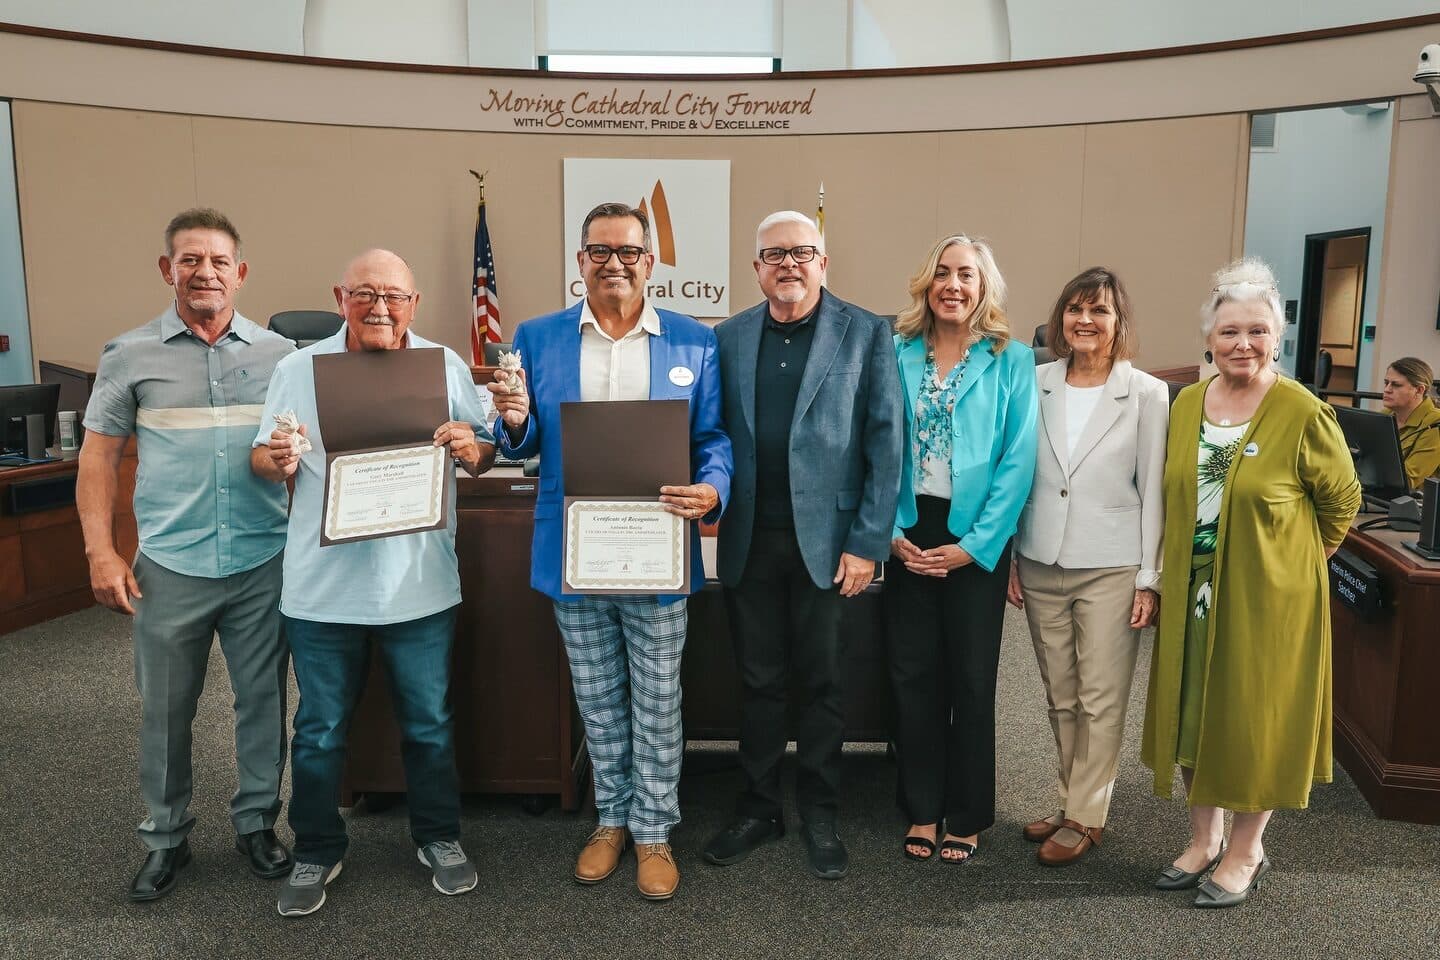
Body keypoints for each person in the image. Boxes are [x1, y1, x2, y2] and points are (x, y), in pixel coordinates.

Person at [488, 203, 732, 901]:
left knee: (657, 699)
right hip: (577, 552)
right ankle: (612, 821)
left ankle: (654, 829)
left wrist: (712, 489)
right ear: (581, 261)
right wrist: (511, 421)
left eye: (629, 251)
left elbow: (713, 438)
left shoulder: (692, 341)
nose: (614, 263)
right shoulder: (537, 338)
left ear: (650, 262)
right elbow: (522, 438)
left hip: (657, 547)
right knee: (598, 698)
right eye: (600, 251)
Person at [251, 249, 495, 917]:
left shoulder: (443, 365)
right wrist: (276, 458)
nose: (380, 307)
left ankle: (439, 837)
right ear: (340, 297)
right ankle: (317, 848)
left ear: (414, 303)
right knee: (322, 728)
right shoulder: (299, 369)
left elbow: (481, 447)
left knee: (429, 725)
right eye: (365, 294)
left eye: (394, 296)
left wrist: (472, 447)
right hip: (322, 589)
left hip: (418, 586)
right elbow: (263, 456)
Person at [76, 208, 295, 902]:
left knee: (263, 702)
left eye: (219, 260)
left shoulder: (280, 355)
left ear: (241, 272)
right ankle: (166, 838)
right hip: (170, 564)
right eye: (190, 260)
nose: (206, 272)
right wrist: (102, 553)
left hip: (264, 558)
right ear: (168, 270)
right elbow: (98, 457)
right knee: (166, 711)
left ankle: (257, 824)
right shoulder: (129, 353)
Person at [1140, 257, 1361, 907]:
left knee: (1252, 724)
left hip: (1269, 602)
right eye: (1230, 330)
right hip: (1193, 592)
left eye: (1258, 331)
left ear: (1278, 337)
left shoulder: (1301, 409)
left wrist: (1289, 566)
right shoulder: (1186, 405)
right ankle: (1202, 839)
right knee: (1191, 716)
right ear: (1208, 337)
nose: (1243, 344)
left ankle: (1246, 849)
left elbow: (1341, 502)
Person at [702, 211, 902, 881]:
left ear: (824, 262)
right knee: (757, 682)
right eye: (774, 254)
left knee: (821, 684)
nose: (789, 264)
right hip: (750, 541)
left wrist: (868, 542)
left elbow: (885, 442)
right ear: (756, 267)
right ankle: (759, 808)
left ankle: (820, 811)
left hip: (831, 546)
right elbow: (713, 434)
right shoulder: (726, 338)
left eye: (802, 253)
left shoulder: (867, 332)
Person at [1006, 267, 1167, 866]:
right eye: (1074, 309)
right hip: (1041, 556)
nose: (1084, 320)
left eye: (1098, 310)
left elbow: (1153, 490)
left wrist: (1149, 577)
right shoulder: (1033, 379)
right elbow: (1019, 473)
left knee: (1100, 697)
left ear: (1118, 322)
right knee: (1059, 694)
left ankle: (1087, 814)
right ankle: (1072, 796)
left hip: (1112, 563)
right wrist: (1013, 557)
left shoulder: (1147, 393)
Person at [886, 234, 1037, 865]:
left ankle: (968, 812)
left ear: (984, 287)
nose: (953, 284)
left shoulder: (1012, 359)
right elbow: (877, 445)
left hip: (977, 537)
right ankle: (922, 807)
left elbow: (1018, 460)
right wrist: (889, 530)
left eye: (966, 275)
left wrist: (976, 548)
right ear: (927, 283)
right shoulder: (895, 353)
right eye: (943, 273)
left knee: (971, 681)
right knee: (912, 676)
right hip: (907, 528)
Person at [1380, 357, 1440, 491]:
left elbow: (1408, 480)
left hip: (1415, 505)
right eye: (1386, 383)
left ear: (1419, 390)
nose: (1387, 389)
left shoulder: (1435, 423)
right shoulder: (1386, 414)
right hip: (1380, 494)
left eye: (1396, 385)